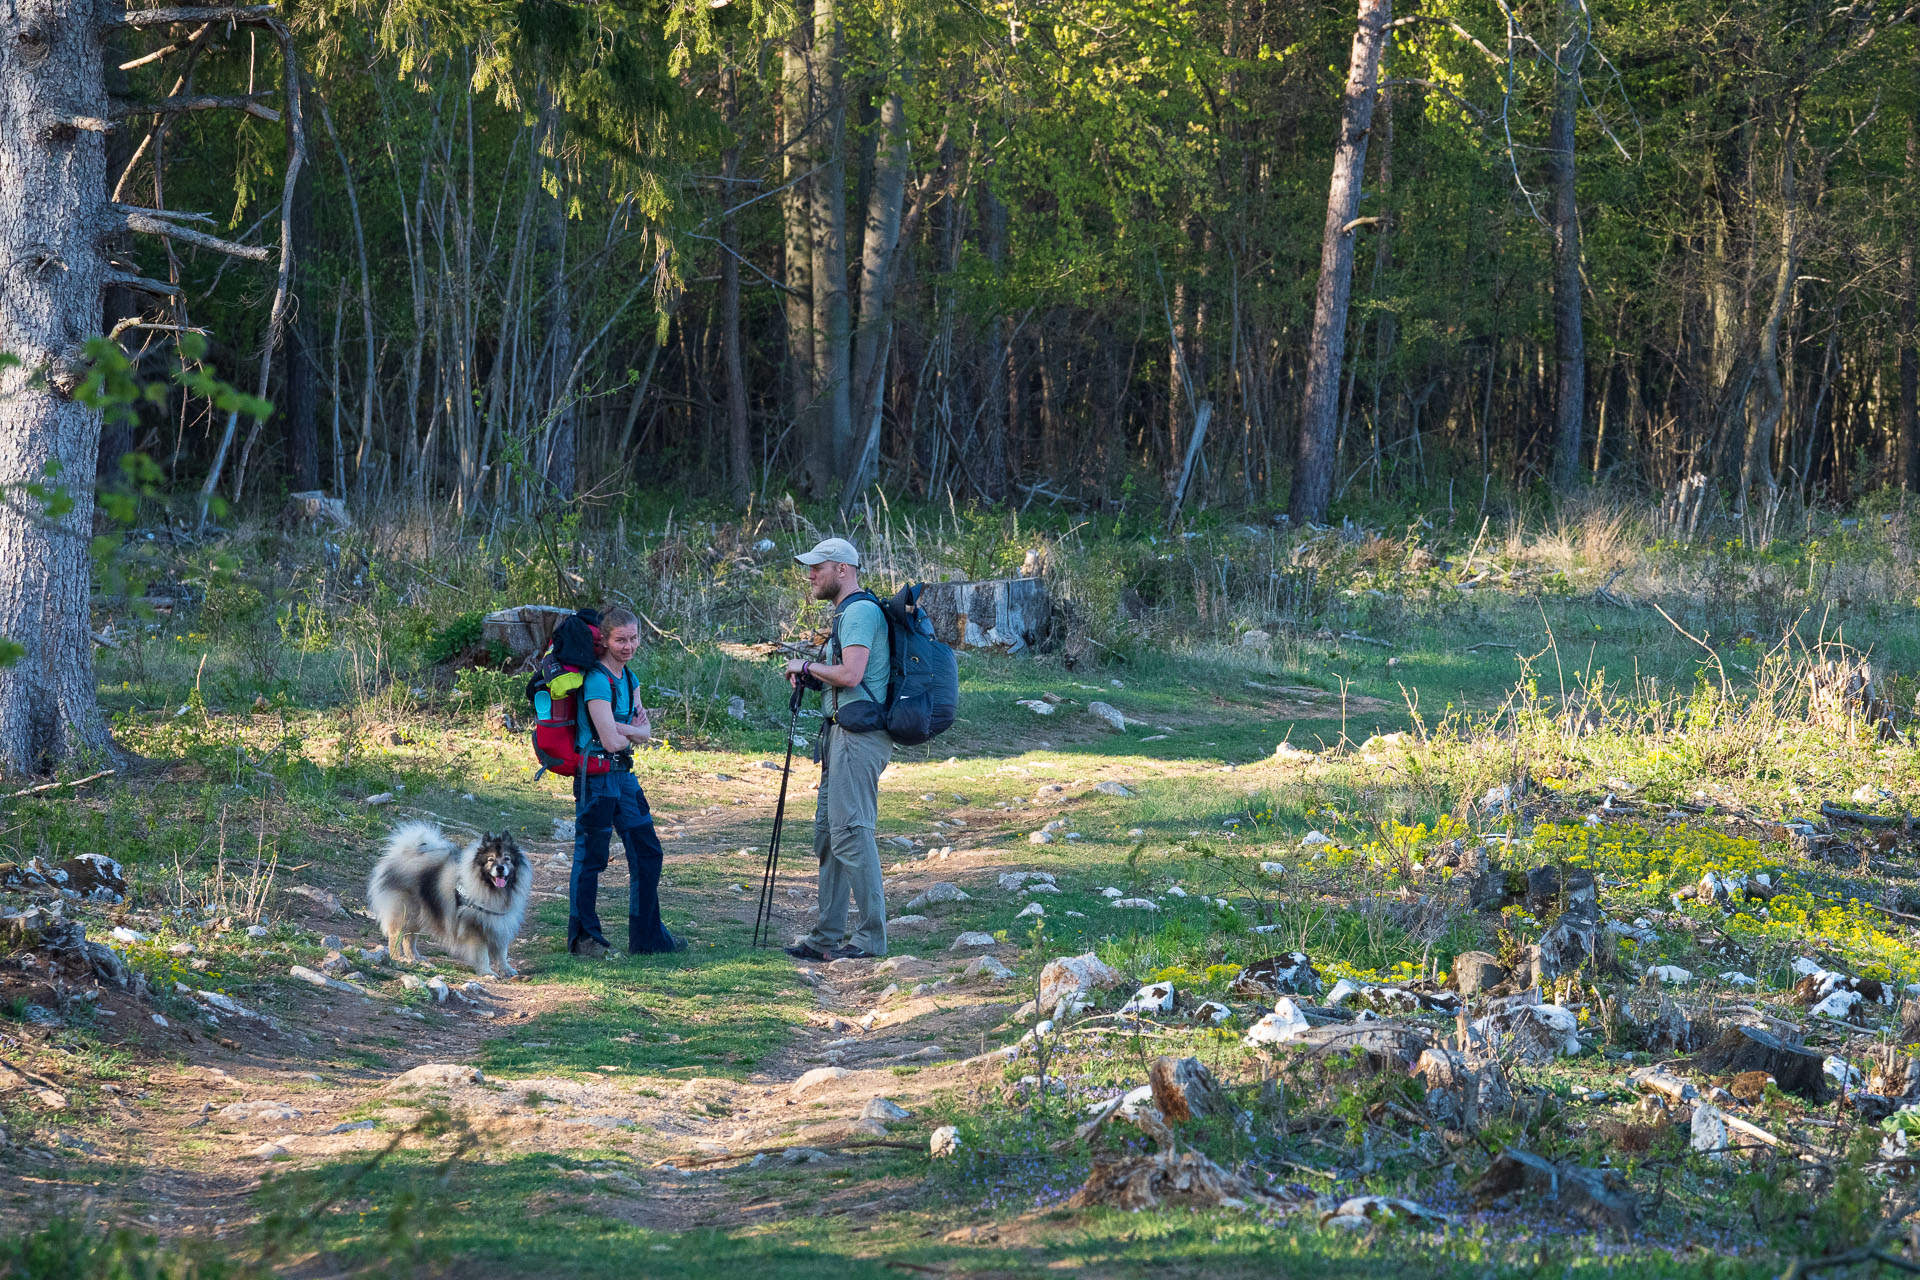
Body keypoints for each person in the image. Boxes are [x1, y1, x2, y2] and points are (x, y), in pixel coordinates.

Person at [783, 538, 891, 961]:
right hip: (839, 735)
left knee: (851, 832)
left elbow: (851, 673)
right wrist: (814, 677)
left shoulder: (861, 611)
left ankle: (870, 939)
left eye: (818, 567)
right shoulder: (846, 612)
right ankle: (826, 936)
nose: (810, 574)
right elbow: (841, 675)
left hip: (858, 738)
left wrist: (806, 666)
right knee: (829, 836)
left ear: (842, 569)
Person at [569, 607, 685, 958]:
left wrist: (627, 731)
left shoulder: (630, 679)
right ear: (604, 640)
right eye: (620, 639)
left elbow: (643, 733)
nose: (628, 645)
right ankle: (584, 938)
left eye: (634, 638)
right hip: (597, 779)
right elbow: (611, 741)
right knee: (591, 858)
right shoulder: (596, 680)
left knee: (648, 852)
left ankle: (648, 937)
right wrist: (629, 732)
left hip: (623, 777)